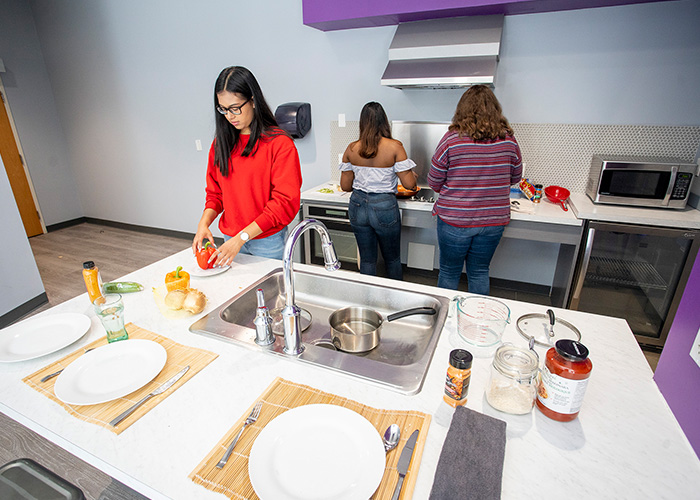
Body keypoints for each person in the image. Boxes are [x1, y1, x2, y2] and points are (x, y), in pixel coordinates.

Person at [192, 66, 302, 265]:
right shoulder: (221, 144)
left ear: (252, 101)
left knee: (268, 295)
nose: (230, 116)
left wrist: (242, 237)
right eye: (223, 109)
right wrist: (204, 222)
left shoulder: (279, 144)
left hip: (267, 242)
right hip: (230, 240)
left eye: (235, 108)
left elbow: (284, 203)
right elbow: (216, 194)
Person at [428, 85, 522, 294]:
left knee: (449, 272)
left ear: (462, 110)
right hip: (492, 221)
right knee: (479, 271)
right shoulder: (509, 140)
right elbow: (515, 177)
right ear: (495, 110)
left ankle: (445, 322)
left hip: (454, 220)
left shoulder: (451, 140)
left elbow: (434, 181)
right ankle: (479, 324)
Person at [339, 102, 417, 280]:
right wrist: (410, 174)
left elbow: (345, 186)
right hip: (384, 205)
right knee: (392, 259)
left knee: (367, 260)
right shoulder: (395, 146)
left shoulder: (351, 148)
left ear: (362, 122)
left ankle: (368, 302)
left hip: (357, 204)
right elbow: (409, 185)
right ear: (384, 121)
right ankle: (396, 301)